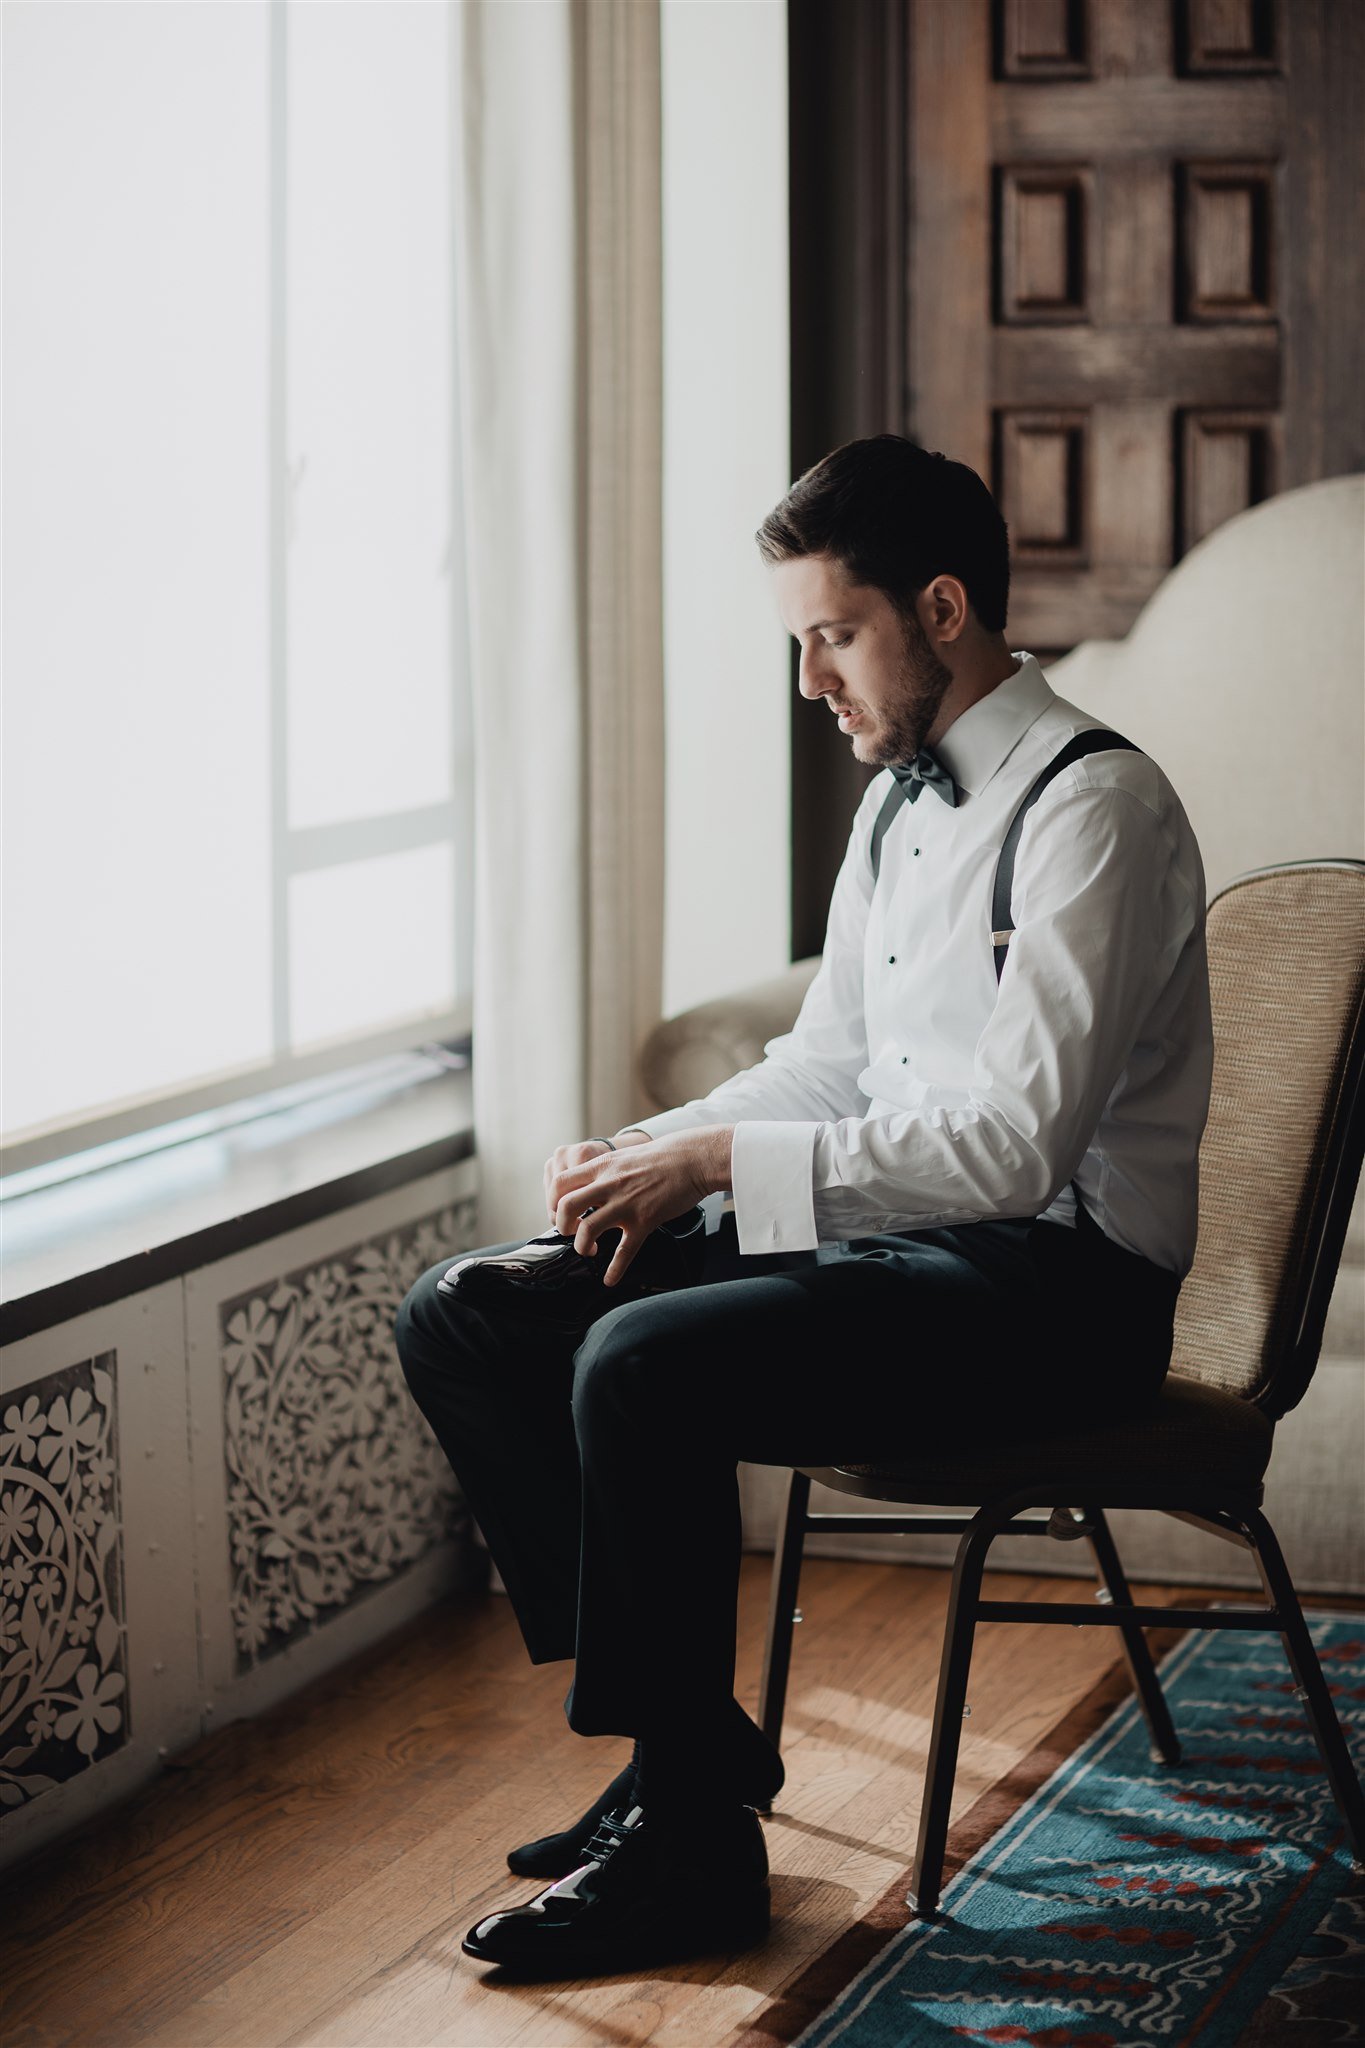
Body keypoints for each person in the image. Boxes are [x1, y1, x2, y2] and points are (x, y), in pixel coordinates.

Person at [394, 434, 1214, 1979]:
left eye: (831, 636)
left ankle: (694, 1854)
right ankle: (685, 1753)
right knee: (473, 1313)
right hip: (903, 1248)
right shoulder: (896, 809)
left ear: (945, 608)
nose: (809, 682)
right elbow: (828, 1067)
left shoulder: (1095, 811)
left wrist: (713, 1174)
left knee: (639, 1365)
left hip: (1059, 1290)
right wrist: (645, 1147)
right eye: (797, 643)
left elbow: (1014, 1150)